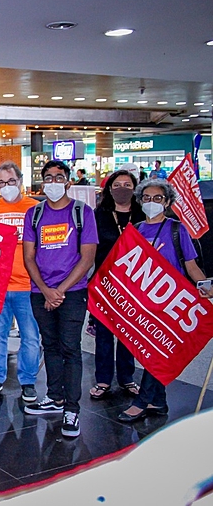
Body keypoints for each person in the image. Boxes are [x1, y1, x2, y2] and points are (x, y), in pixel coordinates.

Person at [117, 179, 211, 422]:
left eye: (157, 198)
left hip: (169, 304)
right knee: (149, 353)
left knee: (157, 355)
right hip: (143, 305)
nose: (151, 202)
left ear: (168, 202)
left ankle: (142, 401)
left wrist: (205, 288)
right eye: (146, 198)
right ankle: (158, 402)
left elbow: (191, 267)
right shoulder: (135, 230)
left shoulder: (177, 230)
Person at [22, 160, 98, 438]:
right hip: (40, 292)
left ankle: (72, 409)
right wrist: (45, 289)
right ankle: (54, 397)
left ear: (67, 181)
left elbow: (87, 256)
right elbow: (28, 256)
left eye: (59, 177)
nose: (53, 182)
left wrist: (61, 290)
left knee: (70, 348)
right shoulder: (34, 214)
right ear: (43, 183)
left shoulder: (82, 213)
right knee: (50, 345)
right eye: (48, 178)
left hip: (73, 293)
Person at [0, 162, 41, 402]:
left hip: (28, 285)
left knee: (30, 336)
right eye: (2, 183)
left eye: (11, 181)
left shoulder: (35, 208)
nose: (7, 187)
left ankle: (28, 381)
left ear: (21, 181)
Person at [88, 170, 144, 401]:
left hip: (134, 286)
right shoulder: (98, 215)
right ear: (109, 189)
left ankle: (127, 378)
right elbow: (90, 250)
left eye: (127, 184)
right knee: (104, 334)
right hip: (105, 285)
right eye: (117, 184)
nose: (122, 188)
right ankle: (103, 380)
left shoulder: (142, 215)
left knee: (128, 334)